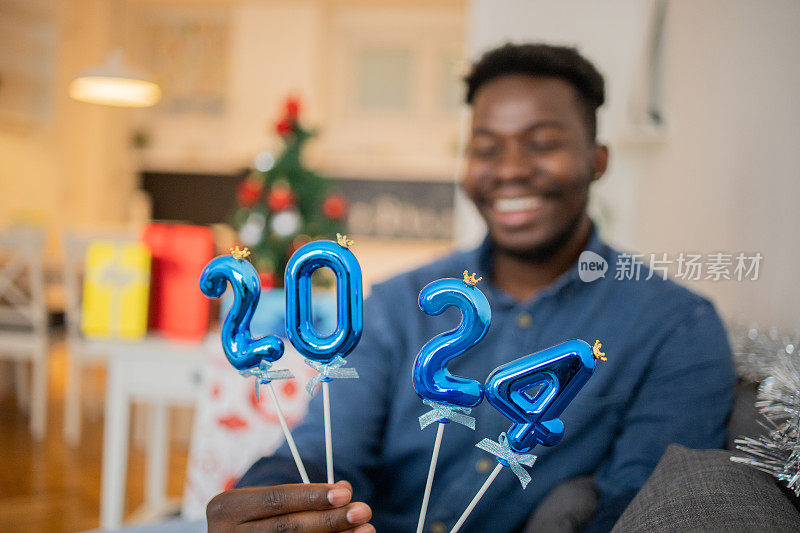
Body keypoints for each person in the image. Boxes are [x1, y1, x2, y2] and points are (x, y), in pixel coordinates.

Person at [206, 43, 735, 533]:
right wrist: (273, 497)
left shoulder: (675, 327)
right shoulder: (396, 304)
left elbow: (641, 509)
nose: (509, 170)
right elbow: (327, 450)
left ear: (597, 160)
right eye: (486, 148)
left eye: (542, 144)